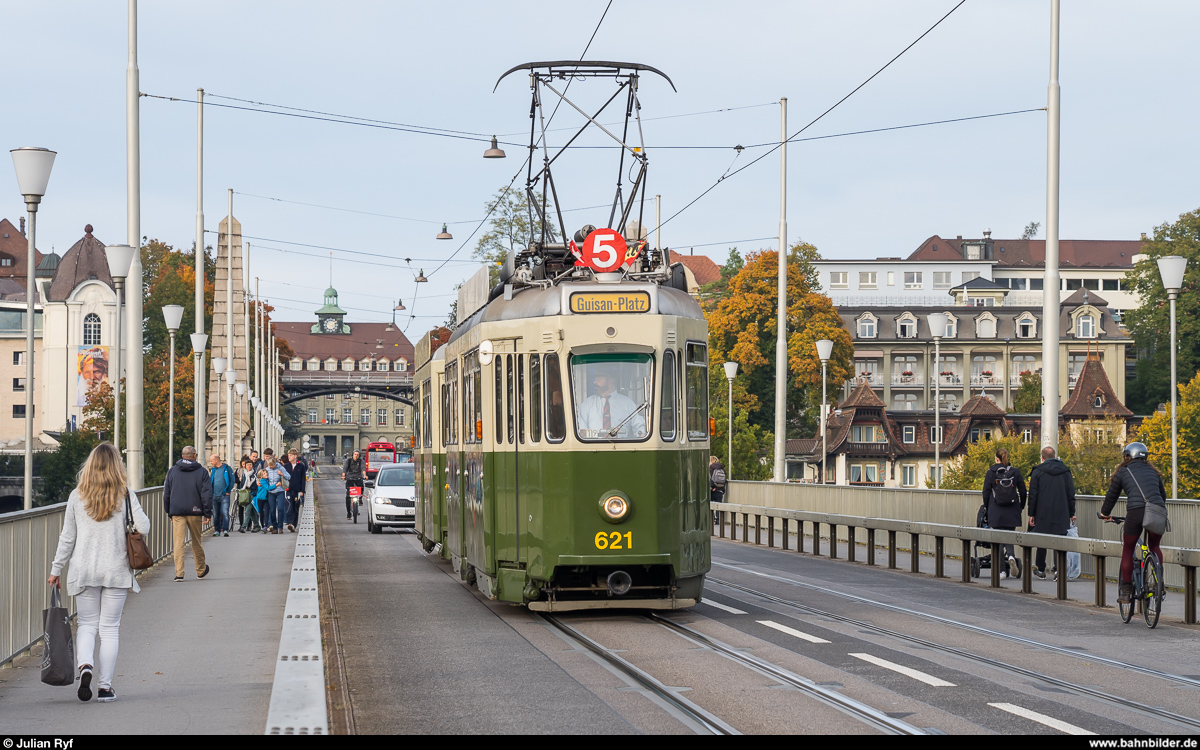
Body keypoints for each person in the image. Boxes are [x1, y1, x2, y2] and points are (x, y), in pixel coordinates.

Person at [48, 443, 150, 703]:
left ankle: (85, 666)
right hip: (115, 570)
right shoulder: (125, 494)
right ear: (117, 465)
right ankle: (105, 688)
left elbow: (67, 537)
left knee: (86, 625)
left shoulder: (76, 495)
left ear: (90, 465)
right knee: (109, 629)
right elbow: (144, 527)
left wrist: (56, 568)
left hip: (83, 570)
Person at [1101, 442, 1167, 604]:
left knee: (1128, 549)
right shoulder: (1153, 472)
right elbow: (1162, 496)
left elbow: (1112, 496)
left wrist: (1105, 513)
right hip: (1157, 511)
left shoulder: (1123, 471)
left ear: (1127, 456)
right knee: (1155, 546)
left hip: (1136, 512)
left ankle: (1126, 591)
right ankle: (1159, 582)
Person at [164, 445, 212, 582]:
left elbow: (166, 493)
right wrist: (207, 513)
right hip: (195, 511)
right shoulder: (202, 472)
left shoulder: (172, 471)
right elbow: (206, 494)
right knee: (196, 541)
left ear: (182, 456)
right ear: (194, 456)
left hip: (177, 512)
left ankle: (179, 573)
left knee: (178, 543)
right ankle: (200, 570)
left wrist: (169, 512)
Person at [1027, 445, 1076, 581]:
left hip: (1042, 512)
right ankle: (1058, 571)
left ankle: (1041, 569)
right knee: (1059, 541)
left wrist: (1032, 514)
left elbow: (1033, 495)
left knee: (1042, 540)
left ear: (1042, 458)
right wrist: (1072, 512)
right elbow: (1070, 494)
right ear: (1055, 457)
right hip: (1062, 512)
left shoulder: (1037, 471)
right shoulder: (1065, 471)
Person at [982, 448, 1027, 579]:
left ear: (996, 458)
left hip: (996, 509)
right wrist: (1021, 506)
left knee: (998, 540)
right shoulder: (1015, 471)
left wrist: (986, 507)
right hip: (1012, 509)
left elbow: (986, 492)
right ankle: (1011, 556)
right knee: (1009, 536)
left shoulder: (991, 472)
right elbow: (1023, 491)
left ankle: (1002, 570)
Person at [577, 369, 644, 438]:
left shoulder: (627, 403)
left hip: (621, 446)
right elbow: (581, 429)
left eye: (598, 379)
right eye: (595, 379)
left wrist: (641, 435)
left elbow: (639, 426)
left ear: (610, 381)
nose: (594, 382)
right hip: (594, 446)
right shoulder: (587, 403)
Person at [263, 456, 291, 534]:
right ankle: (274, 527)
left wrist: (282, 474)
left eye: (271, 465)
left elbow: (289, 476)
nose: (270, 467)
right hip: (271, 492)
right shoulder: (267, 470)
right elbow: (262, 477)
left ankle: (280, 526)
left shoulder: (280, 468)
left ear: (275, 464)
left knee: (281, 508)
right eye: (269, 465)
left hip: (280, 491)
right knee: (272, 510)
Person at [208, 453, 234, 538]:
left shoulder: (227, 468)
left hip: (224, 495)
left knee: (225, 512)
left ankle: (225, 529)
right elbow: (210, 480)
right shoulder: (213, 470)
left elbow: (232, 480)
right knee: (216, 514)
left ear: (216, 460)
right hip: (215, 495)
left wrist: (228, 490)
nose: (210, 462)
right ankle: (217, 530)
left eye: (211, 461)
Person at [284, 448, 308, 532]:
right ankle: (289, 522)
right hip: (288, 489)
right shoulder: (286, 466)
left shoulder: (301, 466)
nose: (289, 457)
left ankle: (294, 524)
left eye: (290, 455)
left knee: (296, 507)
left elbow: (302, 479)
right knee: (289, 506)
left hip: (297, 490)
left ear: (295, 456)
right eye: (288, 455)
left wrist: (302, 491)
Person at [235, 457, 261, 533]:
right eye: (248, 465)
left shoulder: (254, 475)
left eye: (250, 465)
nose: (249, 466)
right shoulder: (244, 475)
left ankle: (243, 526)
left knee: (247, 510)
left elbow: (254, 486)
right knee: (251, 512)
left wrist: (254, 493)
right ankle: (257, 526)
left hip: (252, 494)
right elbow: (242, 484)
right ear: (245, 466)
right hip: (245, 494)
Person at [342, 449, 365, 520]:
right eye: (355, 454)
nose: (356, 456)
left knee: (361, 486)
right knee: (348, 497)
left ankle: (360, 498)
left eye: (358, 455)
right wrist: (343, 475)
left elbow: (363, 469)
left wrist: (365, 475)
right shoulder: (348, 461)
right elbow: (345, 469)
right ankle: (349, 513)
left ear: (359, 456)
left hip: (358, 478)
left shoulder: (361, 461)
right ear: (353, 455)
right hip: (350, 478)